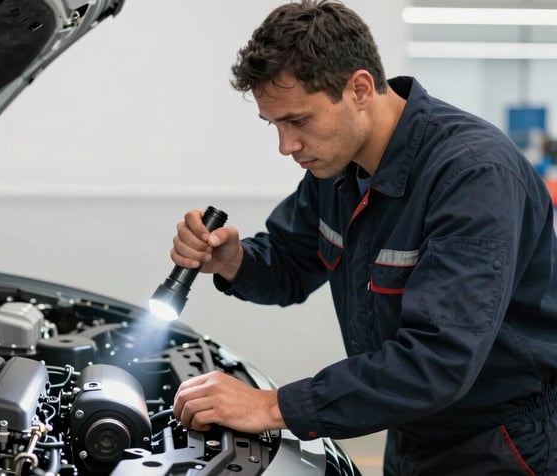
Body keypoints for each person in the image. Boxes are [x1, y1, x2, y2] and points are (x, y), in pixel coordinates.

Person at [169, 1, 557, 474]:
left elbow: (439, 359)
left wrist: (273, 408)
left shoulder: (473, 175)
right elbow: (291, 264)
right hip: (412, 429)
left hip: (502, 445)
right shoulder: (337, 171)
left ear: (359, 88)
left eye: (298, 121)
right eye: (274, 125)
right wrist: (233, 260)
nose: (285, 146)